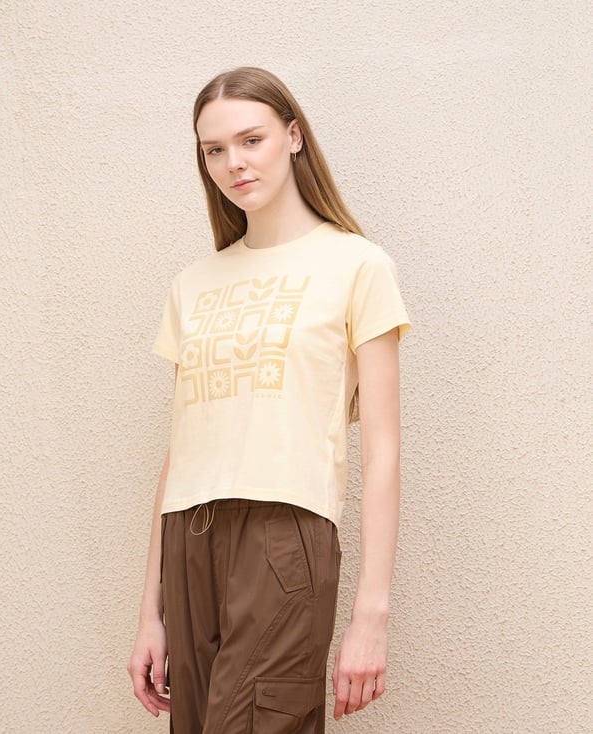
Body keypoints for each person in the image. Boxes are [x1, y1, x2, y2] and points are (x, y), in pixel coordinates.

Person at [127, 66, 412, 733]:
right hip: (188, 538)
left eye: (250, 140)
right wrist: (150, 612)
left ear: (293, 136)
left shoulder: (357, 265)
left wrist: (371, 613)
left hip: (286, 536)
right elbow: (181, 450)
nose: (234, 163)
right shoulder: (194, 284)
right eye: (214, 149)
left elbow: (383, 451)